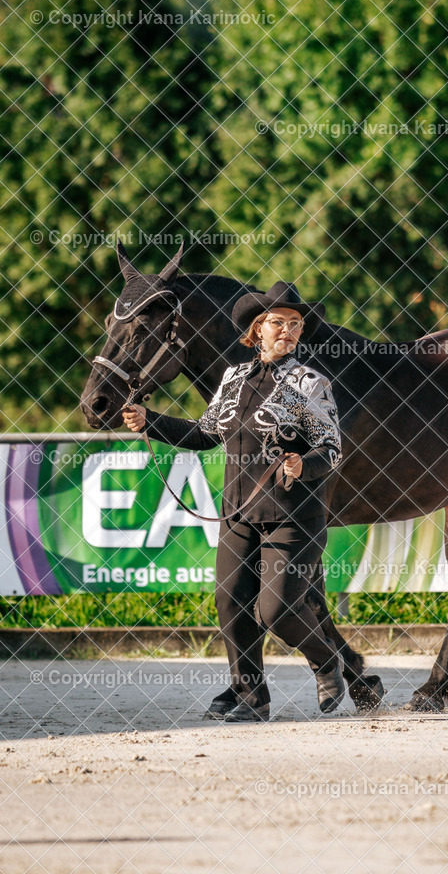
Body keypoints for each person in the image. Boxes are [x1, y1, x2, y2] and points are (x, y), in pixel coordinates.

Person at [122, 281, 345, 723]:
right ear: (257, 329)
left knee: (276, 610)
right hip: (237, 514)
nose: (288, 330)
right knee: (229, 602)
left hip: (293, 517)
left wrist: (304, 463)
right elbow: (206, 434)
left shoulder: (309, 383)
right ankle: (251, 698)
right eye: (278, 323)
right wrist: (152, 422)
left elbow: (332, 449)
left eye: (295, 324)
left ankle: (326, 661)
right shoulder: (233, 378)